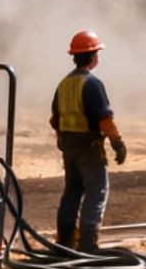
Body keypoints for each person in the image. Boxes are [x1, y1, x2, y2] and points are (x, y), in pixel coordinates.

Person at [52, 30, 127, 253]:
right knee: (97, 190)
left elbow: (54, 119)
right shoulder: (92, 84)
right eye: (97, 53)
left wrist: (63, 140)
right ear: (93, 57)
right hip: (89, 146)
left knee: (72, 190)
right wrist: (117, 143)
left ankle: (65, 240)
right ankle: (88, 243)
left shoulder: (63, 84)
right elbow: (105, 120)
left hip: (68, 146)